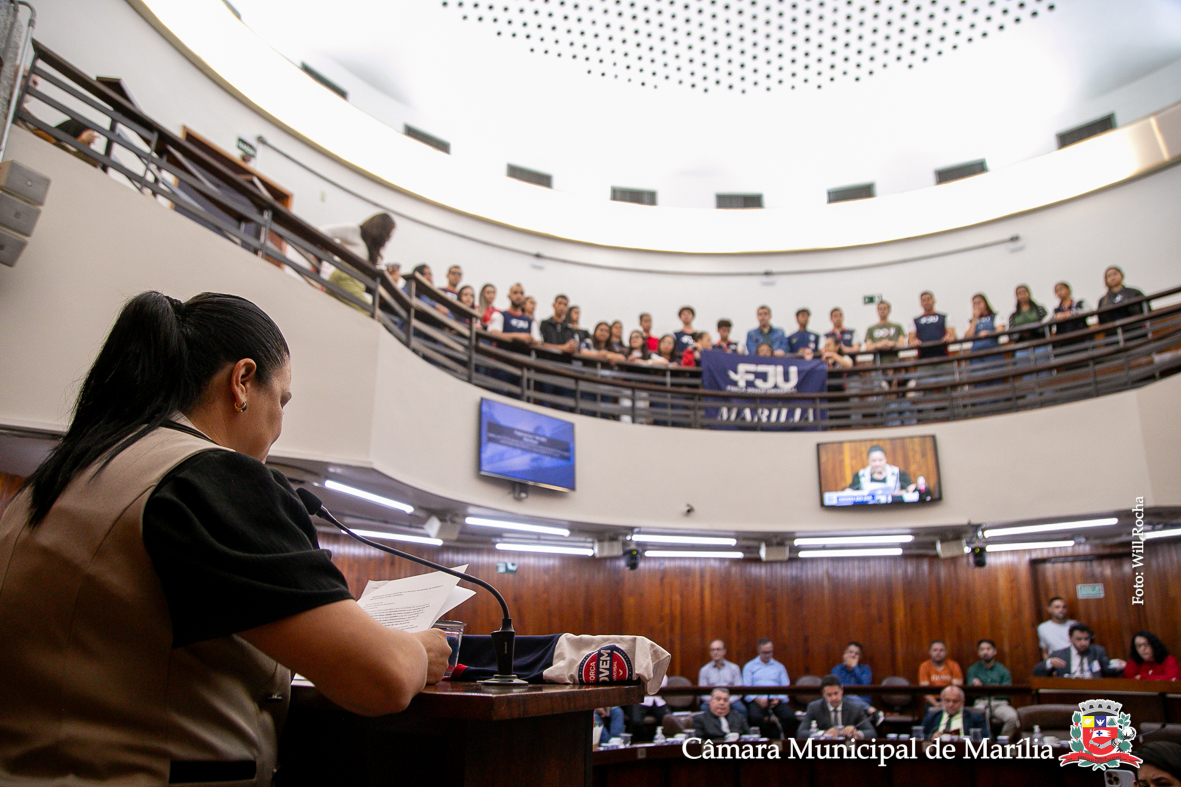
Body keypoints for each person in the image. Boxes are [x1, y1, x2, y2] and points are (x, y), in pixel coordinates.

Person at [0, 292, 450, 784]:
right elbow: (379, 679)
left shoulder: (50, 482)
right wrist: (417, 651)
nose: (279, 426)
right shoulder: (209, 478)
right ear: (242, 381)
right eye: (281, 400)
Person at [321, 212, 396, 311]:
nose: (388, 238)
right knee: (369, 313)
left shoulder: (371, 248)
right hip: (345, 278)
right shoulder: (355, 231)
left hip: (356, 284)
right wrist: (331, 253)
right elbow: (323, 231)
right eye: (388, 233)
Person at [742, 638, 797, 738]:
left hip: (775, 700)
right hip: (758, 701)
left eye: (770, 652)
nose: (767, 655)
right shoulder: (749, 667)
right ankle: (768, 738)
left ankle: (773, 737)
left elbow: (785, 687)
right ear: (758, 650)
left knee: (790, 717)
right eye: (765, 652)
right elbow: (746, 688)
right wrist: (758, 700)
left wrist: (778, 699)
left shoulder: (779, 667)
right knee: (754, 717)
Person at [966, 639, 1019, 738]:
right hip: (981, 702)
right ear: (978, 653)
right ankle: (983, 743)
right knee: (974, 717)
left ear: (994, 651)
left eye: (988, 649)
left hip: (999, 703)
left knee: (1013, 718)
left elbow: (1006, 693)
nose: (985, 652)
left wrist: (984, 688)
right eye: (982, 650)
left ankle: (1002, 743)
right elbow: (971, 693)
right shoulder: (973, 669)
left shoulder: (1003, 670)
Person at [795, 676, 876, 740]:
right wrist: (823, 734)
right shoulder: (814, 707)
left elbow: (872, 733)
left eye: (836, 693)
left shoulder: (855, 708)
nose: (833, 698)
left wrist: (857, 733)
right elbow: (801, 733)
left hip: (848, 749)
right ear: (823, 694)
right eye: (829, 695)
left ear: (841, 690)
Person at [1033, 623, 1126, 678]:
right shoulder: (1059, 654)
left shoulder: (1097, 651)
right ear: (1070, 639)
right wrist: (1049, 662)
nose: (1083, 643)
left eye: (1086, 639)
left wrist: (1119, 666)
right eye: (1079, 639)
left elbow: (1107, 670)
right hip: (1068, 692)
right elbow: (1036, 671)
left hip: (1094, 692)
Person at [842, 444, 924, 497]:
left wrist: (918, 487)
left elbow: (910, 487)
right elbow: (850, 490)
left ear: (885, 459)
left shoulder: (896, 473)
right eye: (873, 461)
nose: (877, 464)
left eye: (880, 460)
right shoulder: (861, 475)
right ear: (868, 461)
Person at [698, 639, 746, 717]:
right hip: (712, 701)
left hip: (731, 700)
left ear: (724, 651)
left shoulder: (734, 668)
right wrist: (714, 702)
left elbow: (739, 690)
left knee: (741, 709)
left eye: (718, 649)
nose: (715, 652)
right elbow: (702, 693)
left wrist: (727, 701)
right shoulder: (704, 670)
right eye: (712, 650)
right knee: (704, 708)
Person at [921, 686, 990, 740]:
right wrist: (931, 737)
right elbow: (919, 735)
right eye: (947, 701)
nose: (951, 704)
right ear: (942, 701)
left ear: (963, 702)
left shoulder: (974, 718)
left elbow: (988, 738)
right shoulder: (932, 717)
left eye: (955, 701)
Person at [909, 291, 956, 359]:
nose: (926, 302)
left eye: (928, 299)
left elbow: (952, 335)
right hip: (923, 358)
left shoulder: (945, 317)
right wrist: (914, 342)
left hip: (943, 356)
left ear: (933, 301)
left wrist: (949, 338)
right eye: (924, 300)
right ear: (921, 303)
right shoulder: (915, 321)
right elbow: (911, 340)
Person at [918, 640, 963, 709]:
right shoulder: (924, 666)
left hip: (951, 699)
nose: (938, 653)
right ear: (930, 652)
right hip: (932, 701)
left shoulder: (954, 665)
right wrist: (936, 704)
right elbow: (925, 690)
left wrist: (947, 702)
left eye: (941, 650)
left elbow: (957, 688)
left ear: (946, 652)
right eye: (935, 650)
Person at [831, 641, 873, 707]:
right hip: (843, 701)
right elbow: (838, 688)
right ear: (845, 654)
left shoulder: (865, 668)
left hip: (862, 700)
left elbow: (866, 685)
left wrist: (854, 667)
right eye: (850, 652)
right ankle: (869, 709)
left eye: (857, 654)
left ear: (860, 657)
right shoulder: (837, 669)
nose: (853, 655)